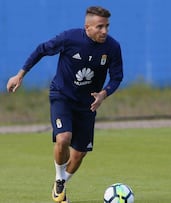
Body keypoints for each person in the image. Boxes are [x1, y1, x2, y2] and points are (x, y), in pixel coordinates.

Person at [6, 6, 123, 203]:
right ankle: (60, 180)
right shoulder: (70, 38)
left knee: (79, 154)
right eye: (100, 27)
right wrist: (20, 74)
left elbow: (117, 77)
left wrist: (104, 94)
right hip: (62, 96)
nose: (104, 31)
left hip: (87, 104)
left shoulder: (112, 47)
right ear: (87, 27)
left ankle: (61, 182)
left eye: (107, 27)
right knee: (63, 138)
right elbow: (41, 50)